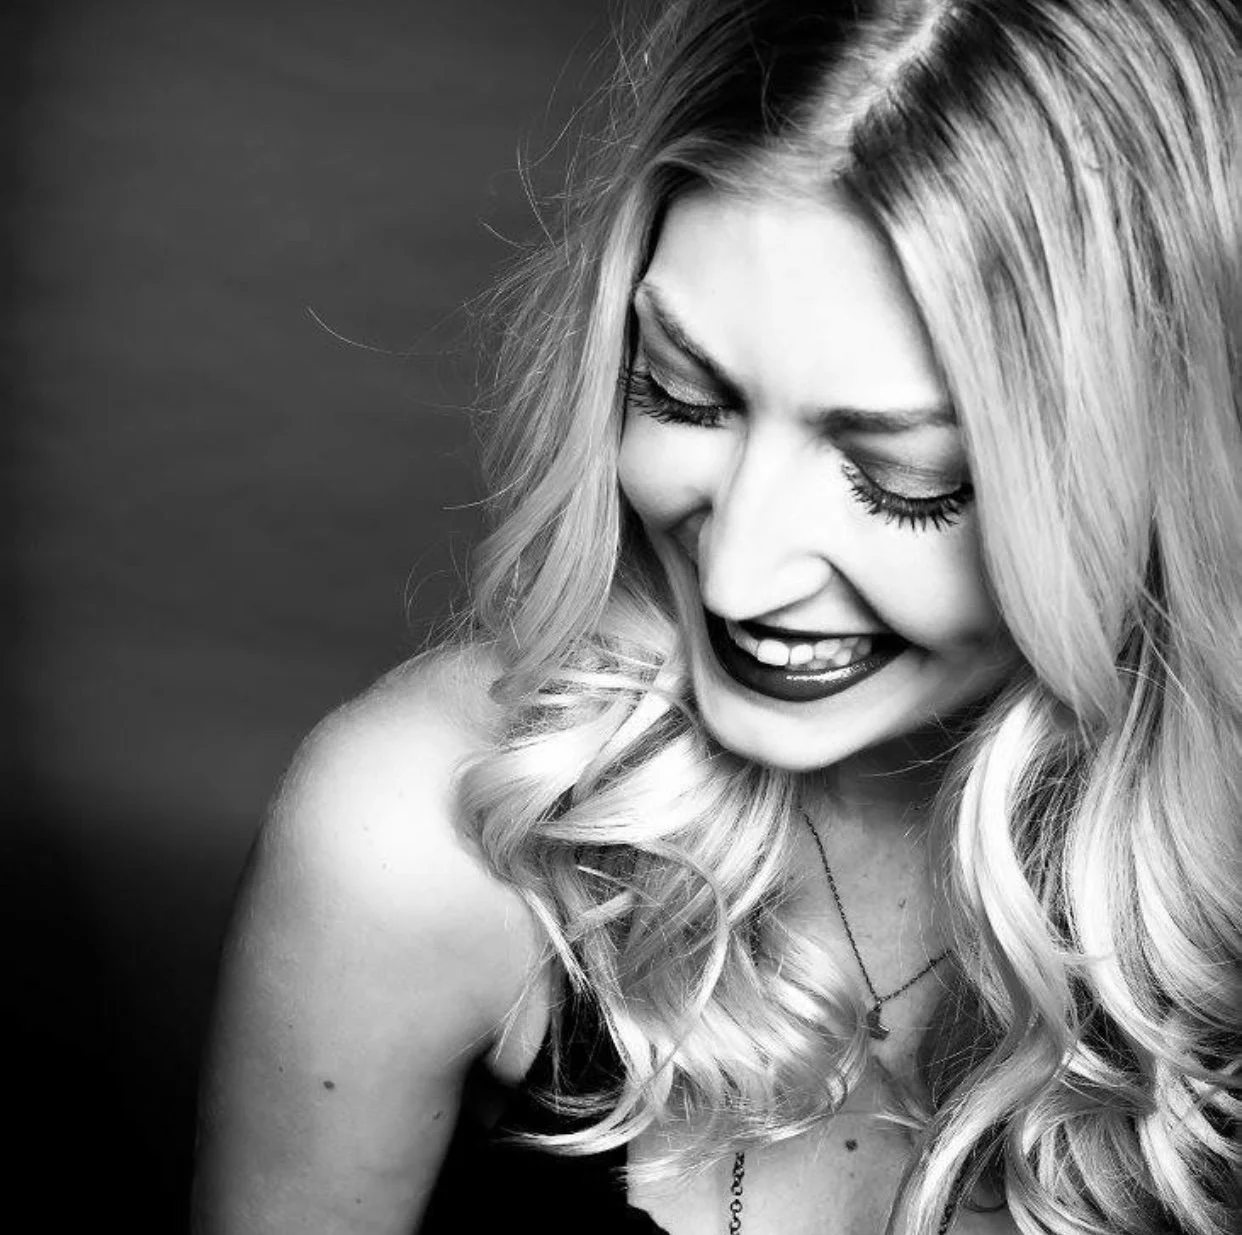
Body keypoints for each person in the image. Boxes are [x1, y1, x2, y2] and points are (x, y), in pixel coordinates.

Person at [190, 1, 1241, 1232]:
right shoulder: (426, 832)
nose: (736, 576)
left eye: (904, 475)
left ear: (1163, 469)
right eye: (683, 395)